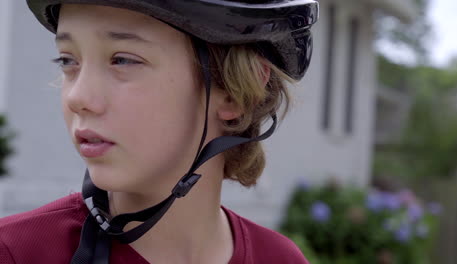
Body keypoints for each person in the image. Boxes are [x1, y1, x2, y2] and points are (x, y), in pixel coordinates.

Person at [0, 0, 319, 263]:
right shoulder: (17, 251)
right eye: (68, 60)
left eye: (122, 60)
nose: (77, 97)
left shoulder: (280, 258)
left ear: (235, 92)